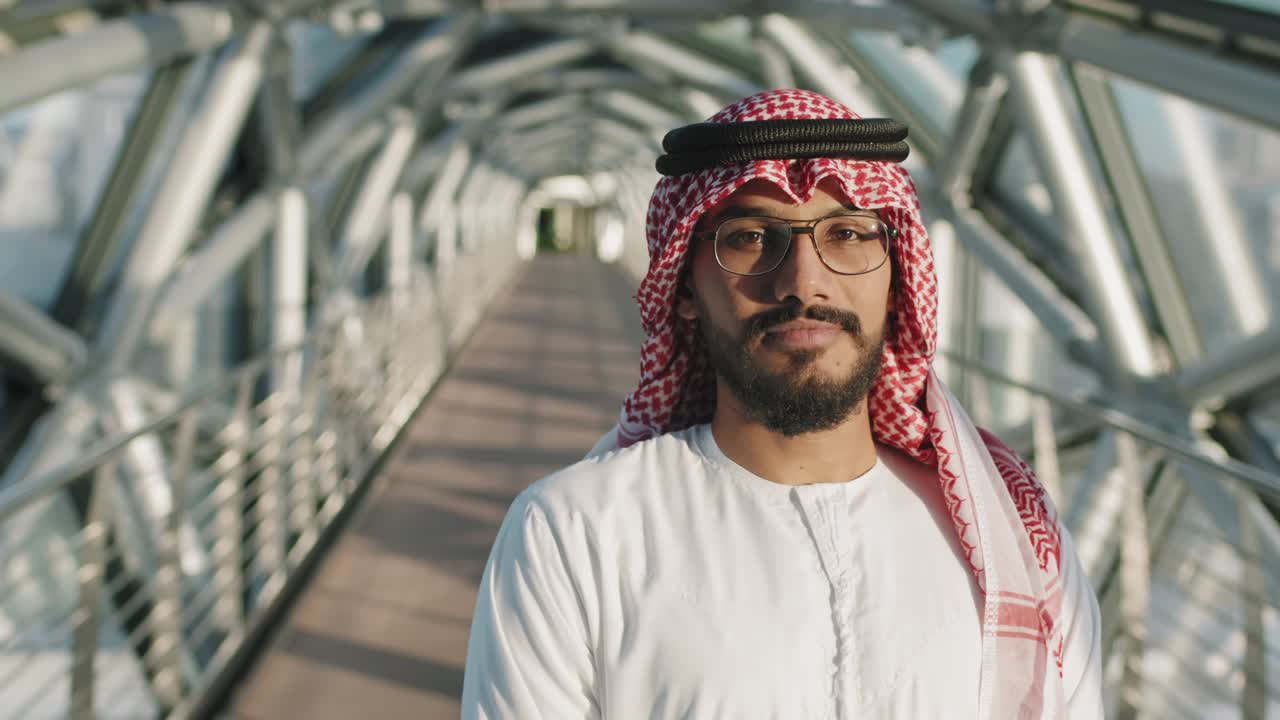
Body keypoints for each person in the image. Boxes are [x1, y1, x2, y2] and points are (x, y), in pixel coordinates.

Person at [461, 89, 1104, 719]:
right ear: (683, 285)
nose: (803, 281)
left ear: (898, 274)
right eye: (749, 237)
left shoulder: (1016, 539)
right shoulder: (575, 533)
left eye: (849, 233)